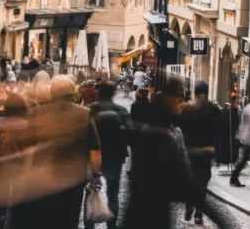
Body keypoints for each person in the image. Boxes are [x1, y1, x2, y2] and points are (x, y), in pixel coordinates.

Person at [18, 75, 101, 229]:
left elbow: (28, 149)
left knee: (44, 219)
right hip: (73, 181)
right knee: (69, 220)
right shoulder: (85, 114)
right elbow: (95, 150)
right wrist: (95, 174)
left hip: (43, 179)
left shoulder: (36, 113)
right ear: (73, 93)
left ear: (52, 92)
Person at [124, 77, 194, 227]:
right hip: (150, 216)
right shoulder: (161, 135)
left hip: (145, 213)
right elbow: (185, 180)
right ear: (168, 101)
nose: (182, 104)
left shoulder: (162, 129)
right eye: (179, 100)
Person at [88, 81, 132, 229]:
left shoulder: (89, 110)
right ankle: (111, 226)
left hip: (92, 156)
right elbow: (130, 134)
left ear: (98, 93)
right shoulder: (122, 111)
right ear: (114, 93)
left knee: (90, 192)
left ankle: (89, 225)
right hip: (114, 156)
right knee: (113, 194)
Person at [181, 81, 221, 225]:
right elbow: (219, 132)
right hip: (206, 151)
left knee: (190, 181)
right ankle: (198, 213)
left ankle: (188, 206)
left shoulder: (186, 108)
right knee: (202, 183)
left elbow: (181, 130)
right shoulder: (214, 109)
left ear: (195, 91)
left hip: (189, 151)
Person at [0, 94, 29, 226]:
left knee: (3, 191)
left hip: (2, 161)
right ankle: (13, 220)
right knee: (17, 192)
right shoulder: (26, 124)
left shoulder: (0, 121)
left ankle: (2, 215)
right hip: (19, 162)